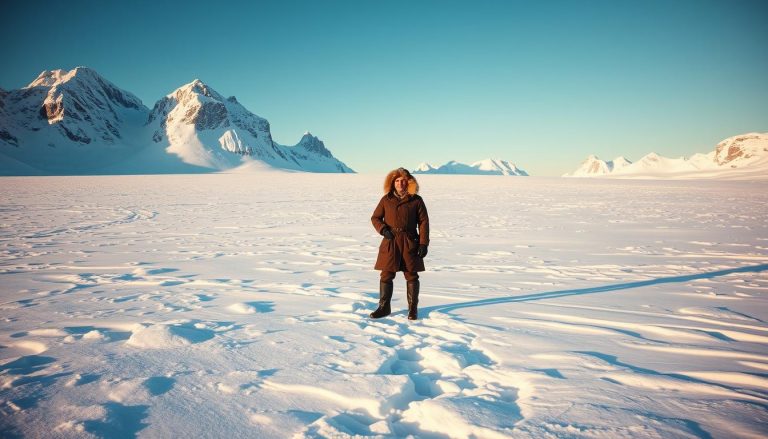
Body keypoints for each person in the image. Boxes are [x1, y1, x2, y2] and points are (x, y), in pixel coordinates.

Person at [370, 167, 429, 320]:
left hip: (410, 241)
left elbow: (423, 222)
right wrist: (383, 230)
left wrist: (423, 243)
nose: (400, 184)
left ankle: (412, 309)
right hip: (391, 241)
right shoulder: (386, 199)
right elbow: (375, 218)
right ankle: (384, 307)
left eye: (403, 181)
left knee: (411, 275)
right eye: (397, 181)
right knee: (386, 274)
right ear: (392, 182)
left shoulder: (416, 199)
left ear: (409, 182)